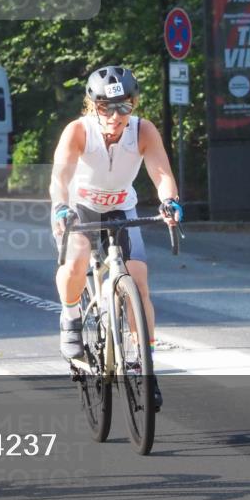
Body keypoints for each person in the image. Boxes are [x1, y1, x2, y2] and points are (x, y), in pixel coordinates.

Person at [49, 66, 182, 411]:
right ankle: (70, 316)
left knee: (138, 280)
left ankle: (144, 365)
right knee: (77, 260)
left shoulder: (143, 131)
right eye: (105, 107)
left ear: (133, 105)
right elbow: (60, 176)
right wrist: (60, 207)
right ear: (92, 107)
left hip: (122, 208)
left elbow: (161, 173)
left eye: (123, 106)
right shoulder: (79, 131)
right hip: (80, 208)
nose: (114, 115)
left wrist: (169, 201)